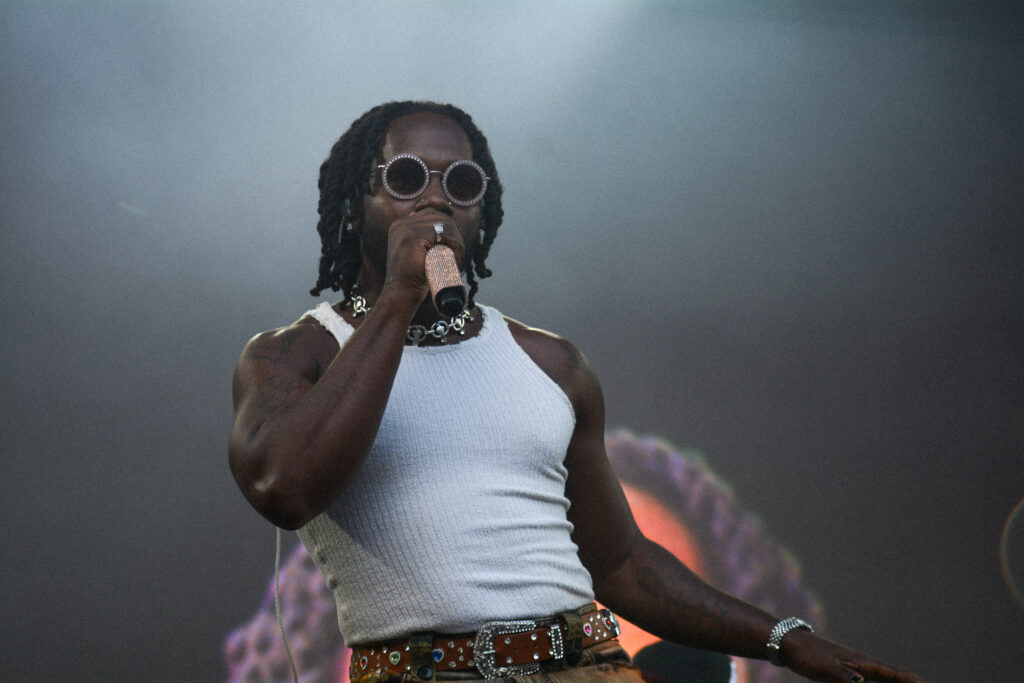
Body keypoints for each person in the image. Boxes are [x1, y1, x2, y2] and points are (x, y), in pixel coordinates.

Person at [229, 101, 929, 683]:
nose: (437, 199)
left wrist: (786, 638)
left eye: (462, 184)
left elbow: (621, 562)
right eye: (407, 178)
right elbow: (282, 486)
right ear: (356, 207)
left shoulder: (549, 362)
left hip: (586, 664)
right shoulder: (297, 354)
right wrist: (395, 302)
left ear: (483, 213)